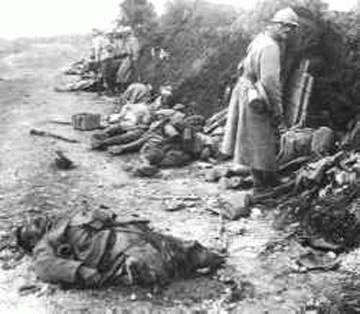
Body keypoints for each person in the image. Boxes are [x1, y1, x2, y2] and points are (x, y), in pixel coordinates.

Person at [16, 208, 223, 288]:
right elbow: (45, 267)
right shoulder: (43, 248)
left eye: (32, 218)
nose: (35, 219)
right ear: (32, 240)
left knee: (199, 255)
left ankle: (200, 259)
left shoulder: (65, 218)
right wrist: (87, 273)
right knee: (173, 262)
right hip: (128, 257)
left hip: (143, 239)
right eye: (29, 226)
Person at [220, 7, 299, 190]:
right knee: (263, 137)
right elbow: (270, 81)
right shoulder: (271, 47)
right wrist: (278, 110)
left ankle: (261, 178)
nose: (290, 33)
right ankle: (266, 182)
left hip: (246, 88)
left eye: (292, 29)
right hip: (256, 94)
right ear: (279, 25)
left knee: (254, 138)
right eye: (288, 29)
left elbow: (242, 65)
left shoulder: (259, 39)